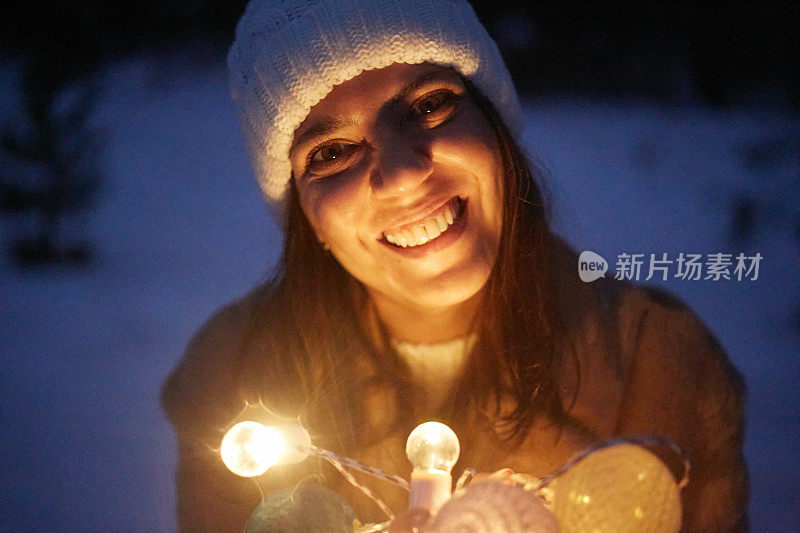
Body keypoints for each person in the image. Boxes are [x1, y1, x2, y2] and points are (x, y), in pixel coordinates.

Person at [161, 0, 749, 530]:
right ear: (306, 219)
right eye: (331, 152)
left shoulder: (661, 363)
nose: (402, 172)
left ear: (496, 132)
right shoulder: (233, 381)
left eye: (430, 104)